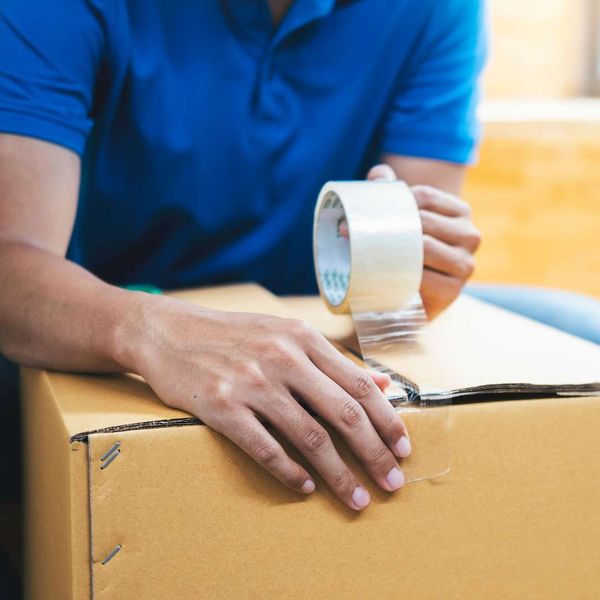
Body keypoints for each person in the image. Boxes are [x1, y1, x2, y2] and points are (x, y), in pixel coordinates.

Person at [0, 0, 486, 518]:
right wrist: (147, 331)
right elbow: (13, 262)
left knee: (577, 326)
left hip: (315, 319)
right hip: (98, 313)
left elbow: (401, 291)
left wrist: (419, 273)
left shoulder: (440, 9)